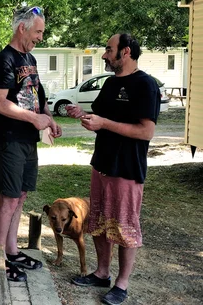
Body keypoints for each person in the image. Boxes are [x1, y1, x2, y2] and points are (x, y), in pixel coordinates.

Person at [69, 33, 160, 305]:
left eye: (109, 50)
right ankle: (102, 273)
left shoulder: (146, 85)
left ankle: (121, 284)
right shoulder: (110, 84)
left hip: (128, 169)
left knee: (125, 227)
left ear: (126, 52)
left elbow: (146, 132)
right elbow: (101, 118)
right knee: (98, 222)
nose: (104, 55)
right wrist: (81, 114)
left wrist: (104, 124)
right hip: (102, 164)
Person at [0, 6, 62, 282]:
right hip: (8, 140)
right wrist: (34, 118)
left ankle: (11, 250)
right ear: (23, 28)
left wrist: (49, 119)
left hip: (28, 140)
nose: (41, 37)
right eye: (38, 31)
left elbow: (38, 96)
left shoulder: (29, 58)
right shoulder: (4, 60)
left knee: (20, 196)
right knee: (8, 199)